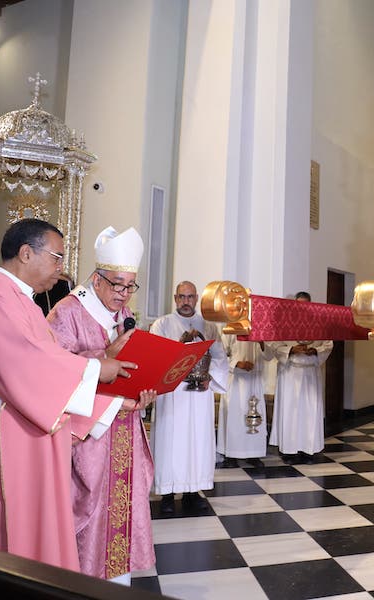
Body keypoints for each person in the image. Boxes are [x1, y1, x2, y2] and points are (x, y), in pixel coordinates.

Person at [0, 218, 137, 572]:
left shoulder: (22, 302)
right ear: (26, 253)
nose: (62, 269)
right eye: (57, 258)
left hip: (22, 439)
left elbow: (45, 366)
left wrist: (112, 399)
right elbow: (26, 366)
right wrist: (98, 368)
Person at [46, 226, 155, 585]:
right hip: (87, 439)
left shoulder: (121, 316)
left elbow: (130, 372)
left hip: (124, 434)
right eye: (117, 285)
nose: (124, 295)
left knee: (121, 518)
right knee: (88, 518)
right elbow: (50, 371)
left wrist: (144, 394)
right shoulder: (67, 312)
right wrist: (103, 356)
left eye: (130, 286)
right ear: (97, 278)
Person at [150, 281, 228, 514]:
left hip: (199, 395)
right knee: (169, 443)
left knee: (197, 442)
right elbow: (155, 356)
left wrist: (209, 378)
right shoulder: (162, 324)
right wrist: (180, 344)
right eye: (181, 297)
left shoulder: (209, 326)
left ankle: (194, 492)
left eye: (190, 297)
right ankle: (166, 494)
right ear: (175, 299)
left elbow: (220, 357)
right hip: (173, 394)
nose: (186, 301)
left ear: (196, 299)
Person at [266, 292, 333, 464]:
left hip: (310, 373)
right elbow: (274, 344)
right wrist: (291, 350)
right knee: (291, 411)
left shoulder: (319, 323)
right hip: (290, 373)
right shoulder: (284, 323)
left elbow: (328, 344)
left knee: (309, 412)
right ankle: (289, 451)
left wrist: (315, 350)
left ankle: (308, 450)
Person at [217, 335, 268, 468]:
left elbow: (270, 355)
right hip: (235, 379)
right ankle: (231, 454)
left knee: (255, 415)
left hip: (254, 379)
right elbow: (220, 354)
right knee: (234, 418)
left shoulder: (261, 328)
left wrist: (262, 342)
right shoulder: (230, 329)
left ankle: (254, 453)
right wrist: (237, 364)